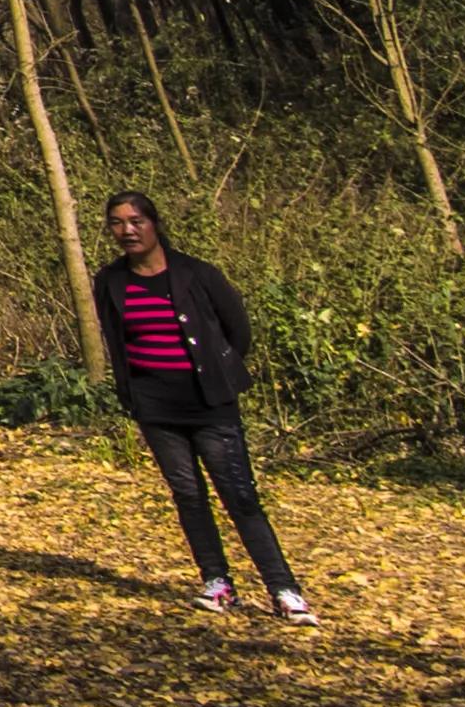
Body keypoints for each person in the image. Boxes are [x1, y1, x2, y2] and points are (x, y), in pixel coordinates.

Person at [95, 190, 311, 619]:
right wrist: (132, 392)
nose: (128, 230)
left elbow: (238, 330)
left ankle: (284, 589)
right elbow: (116, 342)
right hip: (156, 407)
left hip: (209, 404)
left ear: (155, 223)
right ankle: (217, 583)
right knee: (188, 496)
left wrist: (220, 371)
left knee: (239, 496)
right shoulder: (110, 281)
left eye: (136, 220)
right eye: (118, 223)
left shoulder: (197, 274)